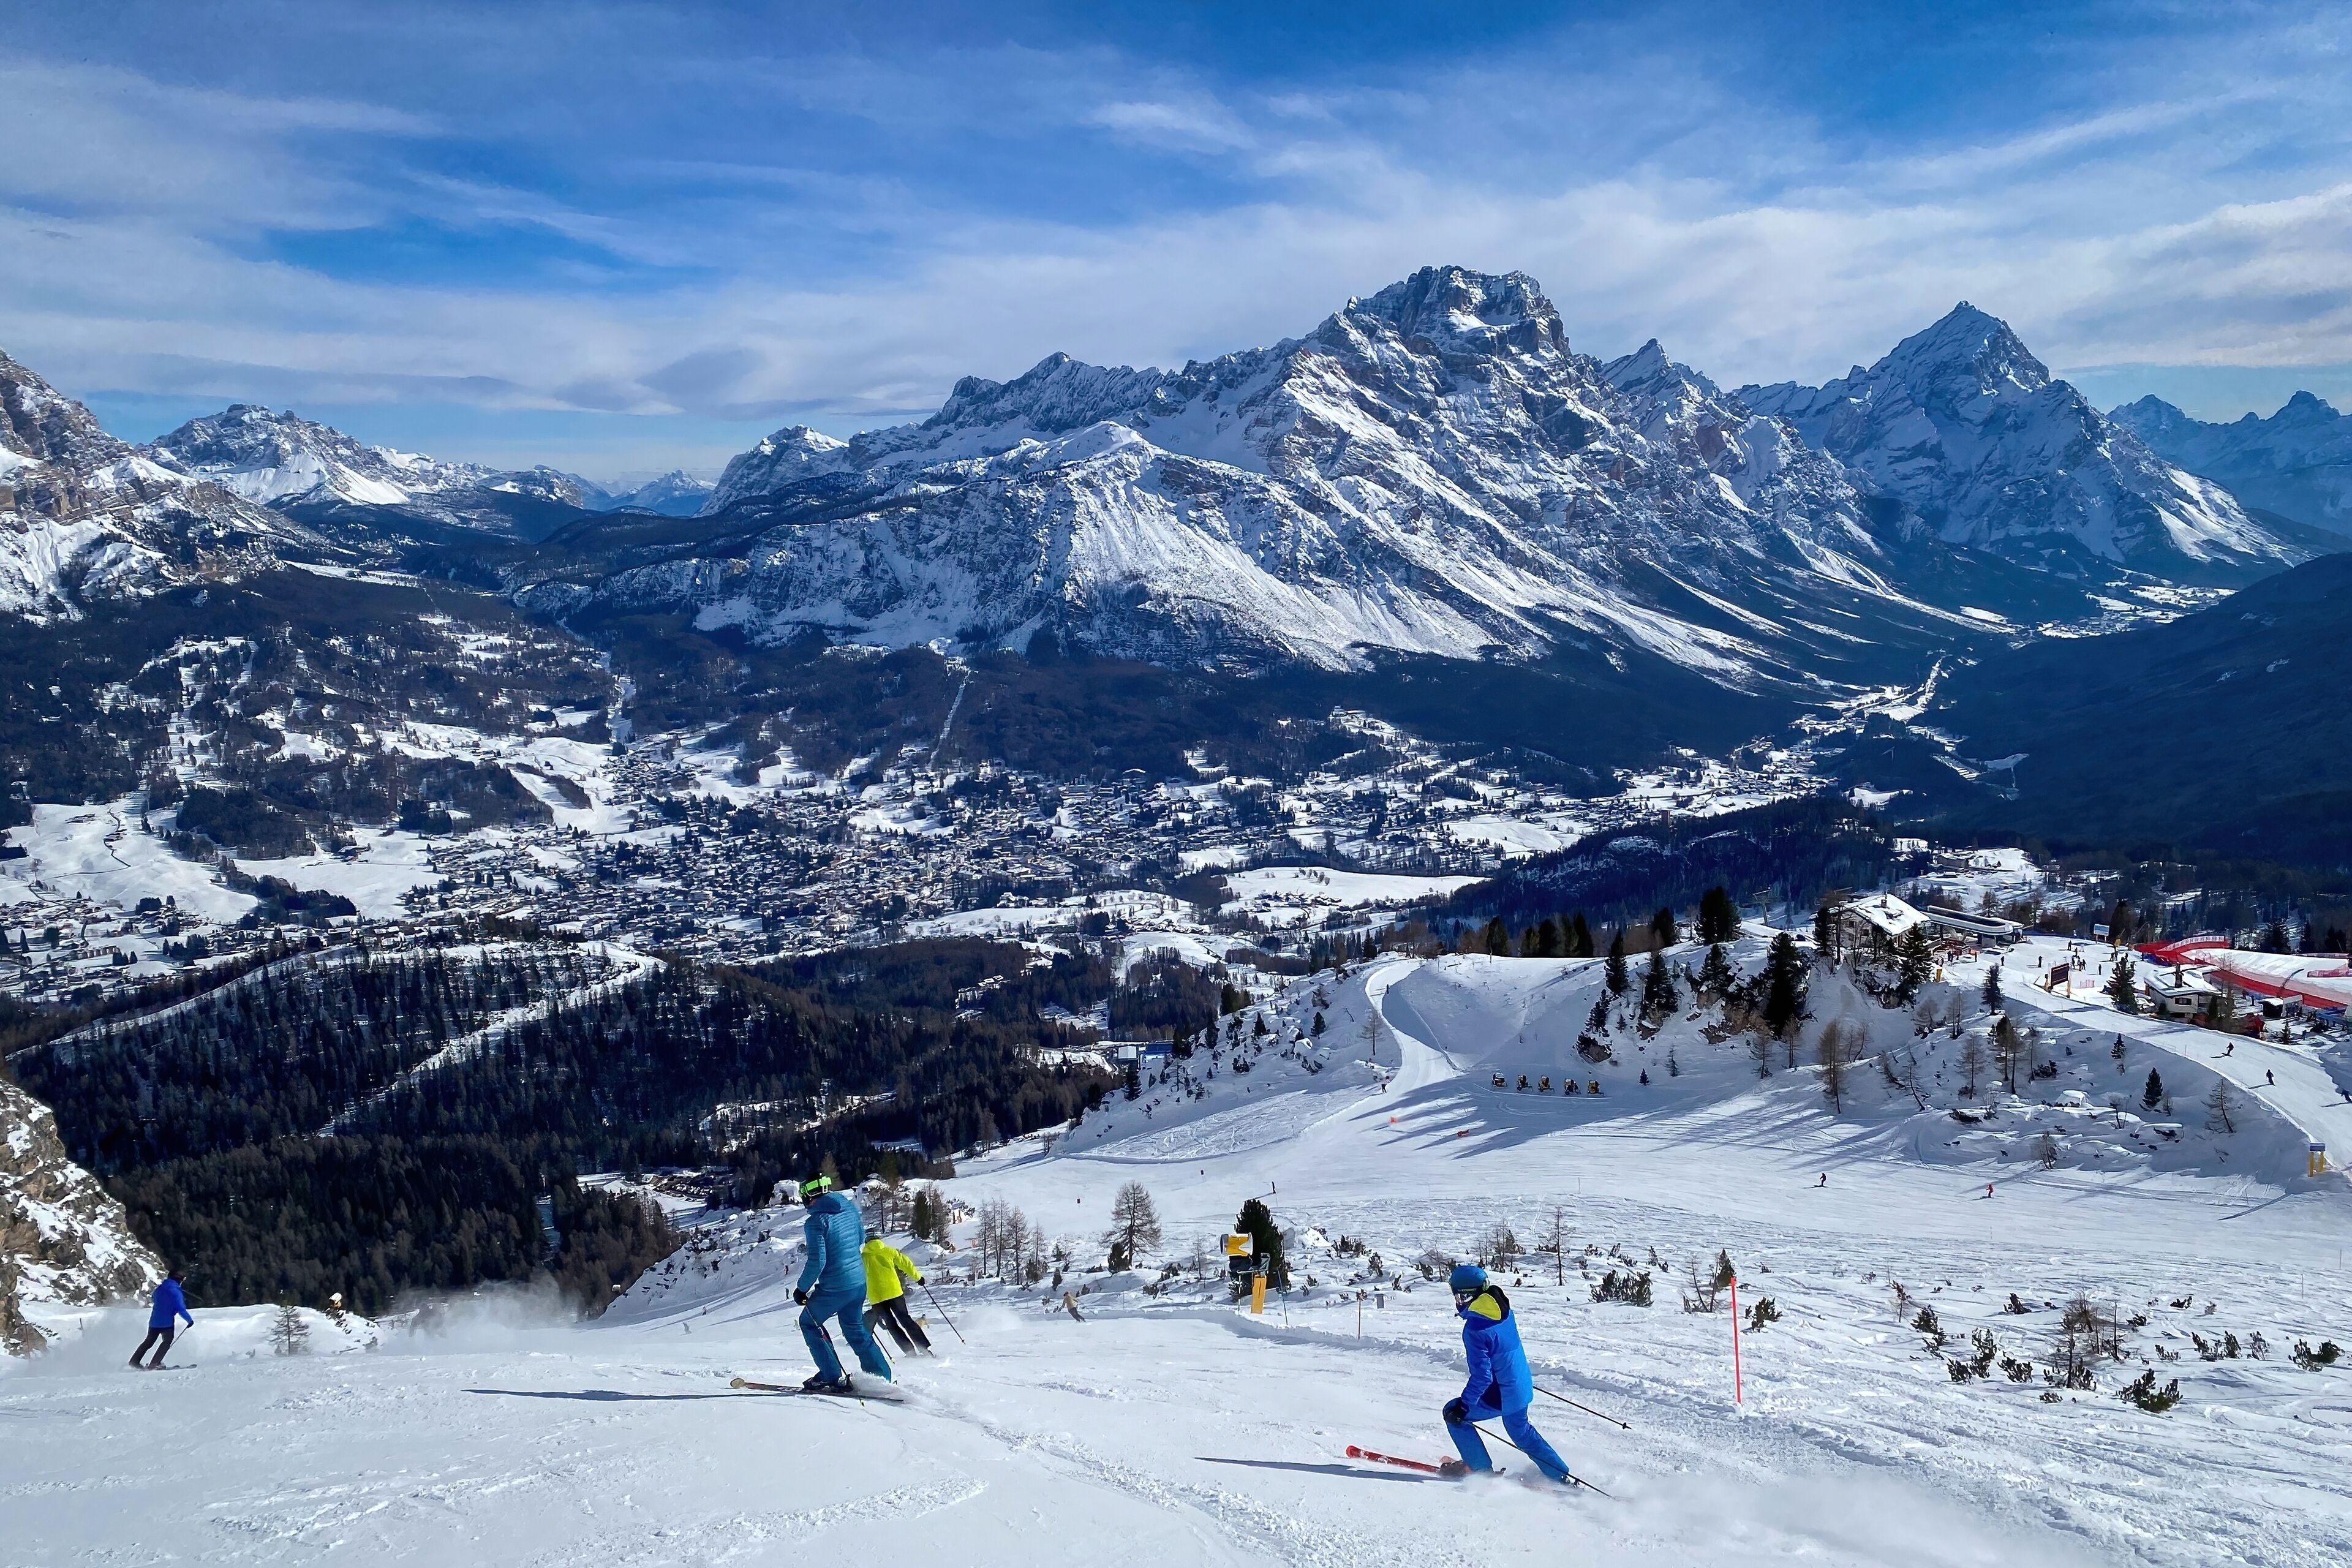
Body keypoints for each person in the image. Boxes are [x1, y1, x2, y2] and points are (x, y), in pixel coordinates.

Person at [1440, 1264, 1572, 1485]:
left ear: (1469, 1296)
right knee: (1521, 1432)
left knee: (1454, 1415)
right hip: (1520, 1385)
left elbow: (1482, 1377)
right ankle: (1559, 1475)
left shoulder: (1474, 1330)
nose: (1458, 1302)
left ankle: (1480, 1471)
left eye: (1460, 1297)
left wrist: (1464, 1406)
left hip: (1502, 1393)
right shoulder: (1503, 1311)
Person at [793, 1175, 892, 1392]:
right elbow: (859, 1239)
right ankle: (880, 1377)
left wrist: (802, 1289)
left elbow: (818, 1261)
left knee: (809, 1322)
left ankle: (830, 1375)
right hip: (858, 1283)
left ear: (807, 1196)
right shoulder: (848, 1208)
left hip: (835, 1288)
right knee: (855, 1328)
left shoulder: (816, 1222)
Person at [861, 1235, 933, 1356]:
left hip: (877, 1297)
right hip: (894, 1292)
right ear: (879, 1241)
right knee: (905, 1320)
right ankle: (924, 1349)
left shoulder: (862, 1258)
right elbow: (906, 1264)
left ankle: (909, 1351)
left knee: (891, 1324)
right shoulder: (889, 1251)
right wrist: (918, 1278)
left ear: (866, 1244)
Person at [130, 1269, 192, 1370]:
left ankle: (134, 1361)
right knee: (167, 1341)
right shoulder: (176, 1291)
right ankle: (155, 1363)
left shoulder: (160, 1288)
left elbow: (154, 1298)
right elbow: (180, 1308)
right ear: (179, 1279)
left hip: (154, 1321)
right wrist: (189, 1320)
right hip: (167, 1323)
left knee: (149, 1342)